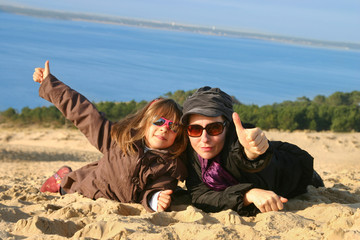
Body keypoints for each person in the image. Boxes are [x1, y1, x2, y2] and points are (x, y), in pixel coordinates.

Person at [33, 61, 188, 212]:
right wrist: (49, 84)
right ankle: (61, 179)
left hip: (114, 208)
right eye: (159, 121)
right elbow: (83, 113)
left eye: (173, 126)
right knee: (66, 185)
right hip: (81, 192)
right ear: (145, 121)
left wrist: (156, 199)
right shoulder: (120, 139)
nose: (164, 128)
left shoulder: (170, 167)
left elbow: (155, 191)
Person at [181, 86, 324, 216]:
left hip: (296, 172)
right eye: (195, 129)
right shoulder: (192, 155)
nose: (204, 138)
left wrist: (252, 153)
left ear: (228, 126)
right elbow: (200, 196)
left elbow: (244, 157)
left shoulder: (240, 142)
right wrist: (247, 195)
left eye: (214, 128)